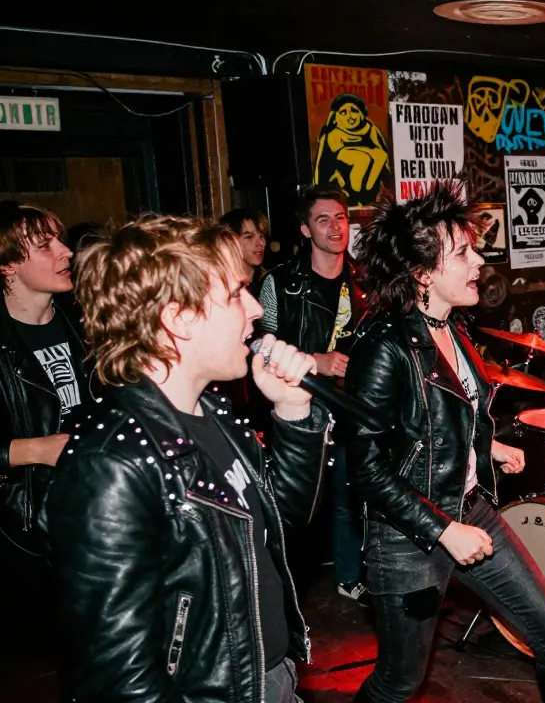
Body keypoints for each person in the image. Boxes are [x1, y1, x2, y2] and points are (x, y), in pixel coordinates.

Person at [42, 214, 331, 703]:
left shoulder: (215, 409)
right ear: (179, 318)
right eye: (236, 293)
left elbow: (286, 519)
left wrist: (293, 411)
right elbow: (119, 679)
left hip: (268, 675)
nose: (255, 310)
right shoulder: (111, 463)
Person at [345, 180, 545, 703]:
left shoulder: (451, 327)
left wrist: (486, 449)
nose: (479, 261)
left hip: (471, 512)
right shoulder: (384, 347)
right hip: (409, 538)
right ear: (424, 273)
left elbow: (440, 420)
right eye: (463, 252)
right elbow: (366, 468)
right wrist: (442, 530)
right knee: (399, 681)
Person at [258, 184, 369, 603]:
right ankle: (282, 587)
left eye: (340, 217)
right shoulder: (281, 283)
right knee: (299, 500)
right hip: (302, 408)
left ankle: (348, 574)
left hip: (355, 404)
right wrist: (314, 361)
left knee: (350, 492)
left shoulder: (365, 279)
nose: (335, 227)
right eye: (323, 219)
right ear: (305, 229)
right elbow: (259, 348)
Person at [0, 202, 92, 557]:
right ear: (7, 265)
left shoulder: (86, 323)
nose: (66, 252)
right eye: (45, 246)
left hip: (97, 501)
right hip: (28, 524)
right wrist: (37, 449)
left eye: (61, 241)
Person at [218, 207, 271, 288]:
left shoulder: (271, 283)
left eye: (261, 236)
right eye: (249, 237)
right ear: (230, 241)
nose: (260, 243)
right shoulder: (220, 285)